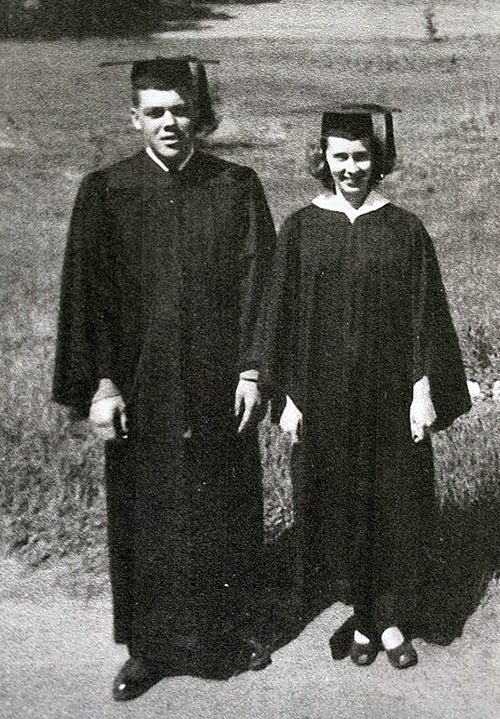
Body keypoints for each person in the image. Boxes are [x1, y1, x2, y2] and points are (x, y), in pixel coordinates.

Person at [52, 56, 276, 700]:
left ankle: (226, 632)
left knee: (223, 504)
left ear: (197, 115)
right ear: (135, 118)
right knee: (146, 514)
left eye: (180, 109)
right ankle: (148, 649)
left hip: (218, 383)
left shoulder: (235, 185)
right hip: (142, 387)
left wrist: (254, 369)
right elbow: (86, 298)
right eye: (155, 111)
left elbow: (259, 284)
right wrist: (100, 385)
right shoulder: (107, 190)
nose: (170, 122)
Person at [258, 104, 471, 669]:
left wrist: (426, 386)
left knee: (395, 506)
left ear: (379, 160)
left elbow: (429, 314)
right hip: (323, 399)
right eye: (340, 157)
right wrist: (285, 398)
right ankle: (362, 614)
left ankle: (392, 619)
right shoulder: (301, 229)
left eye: (360, 156)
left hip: (390, 396)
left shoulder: (403, 228)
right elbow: (277, 316)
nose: (350, 168)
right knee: (339, 508)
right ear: (322, 160)